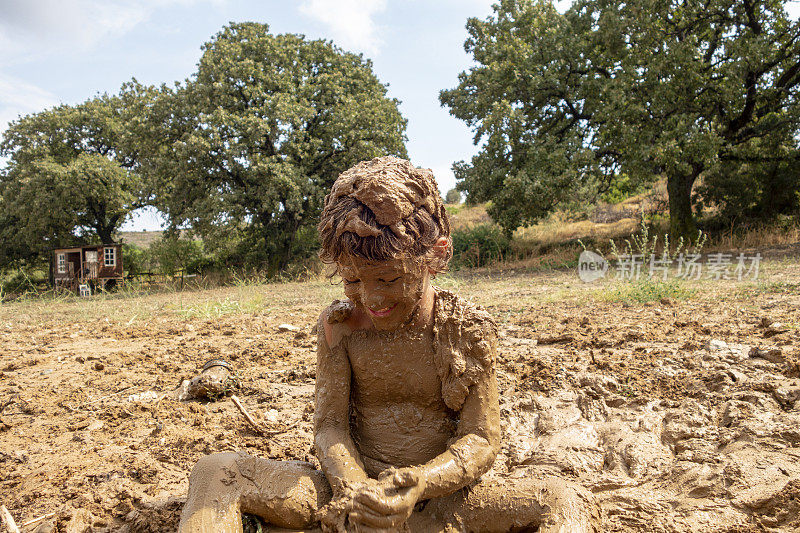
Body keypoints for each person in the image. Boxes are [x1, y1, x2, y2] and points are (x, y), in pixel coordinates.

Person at [178, 156, 597, 532]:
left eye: (390, 279)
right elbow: (329, 427)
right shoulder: (338, 325)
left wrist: (419, 483)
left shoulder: (466, 330)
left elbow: (482, 440)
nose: (372, 298)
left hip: (442, 502)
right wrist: (357, 491)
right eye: (353, 280)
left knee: (561, 498)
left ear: (436, 256)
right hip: (347, 494)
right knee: (216, 471)